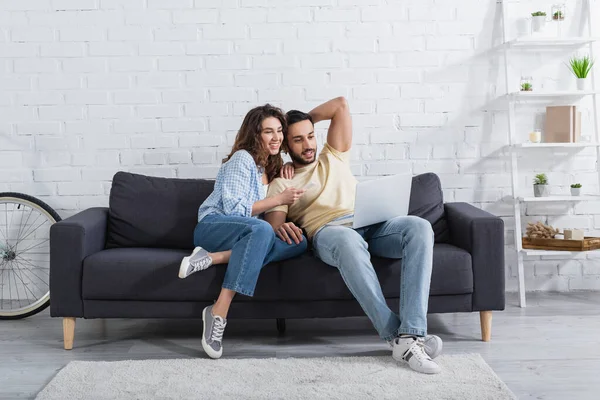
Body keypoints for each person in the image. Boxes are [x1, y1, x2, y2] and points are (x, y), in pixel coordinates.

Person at [264, 97, 443, 374]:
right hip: (329, 233)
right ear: (286, 146)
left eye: (310, 136)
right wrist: (278, 225)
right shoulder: (282, 182)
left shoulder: (332, 155)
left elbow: (340, 105)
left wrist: (302, 121)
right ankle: (398, 338)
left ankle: (410, 335)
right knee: (348, 241)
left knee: (419, 227)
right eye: (297, 140)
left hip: (368, 223)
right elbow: (274, 223)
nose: (308, 144)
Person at [179, 104, 308, 360]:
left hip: (247, 235)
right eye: (269, 131)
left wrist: (283, 175)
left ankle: (211, 258)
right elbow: (235, 211)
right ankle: (219, 310)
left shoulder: (267, 167)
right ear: (255, 134)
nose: (277, 137)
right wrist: (279, 198)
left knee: (299, 242)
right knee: (262, 230)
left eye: (280, 131)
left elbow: (260, 222)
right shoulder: (243, 158)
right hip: (213, 227)